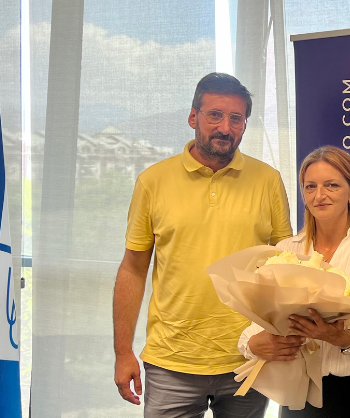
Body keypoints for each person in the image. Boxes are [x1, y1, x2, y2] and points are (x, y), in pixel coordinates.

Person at [113, 72, 292, 418]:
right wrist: (123, 352)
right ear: (193, 117)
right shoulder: (153, 181)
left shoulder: (268, 180)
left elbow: (285, 266)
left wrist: (279, 336)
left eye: (236, 118)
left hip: (249, 357)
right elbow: (133, 269)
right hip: (172, 360)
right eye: (215, 115)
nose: (225, 127)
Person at [239, 146, 350, 418]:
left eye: (332, 185)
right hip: (296, 396)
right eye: (311, 187)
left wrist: (339, 337)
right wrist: (253, 344)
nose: (319, 195)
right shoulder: (286, 250)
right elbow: (258, 324)